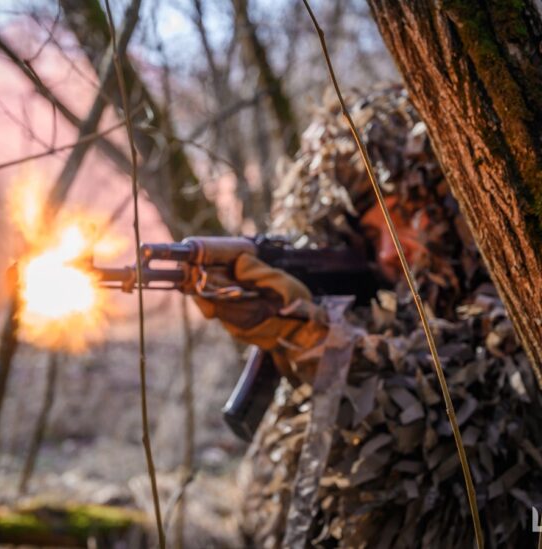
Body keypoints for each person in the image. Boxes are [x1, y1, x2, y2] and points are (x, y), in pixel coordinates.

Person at [194, 85, 542, 548]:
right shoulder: (378, 307)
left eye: (398, 216)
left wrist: (321, 346)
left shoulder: (515, 291)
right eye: (371, 235)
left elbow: (466, 412)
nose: (386, 253)